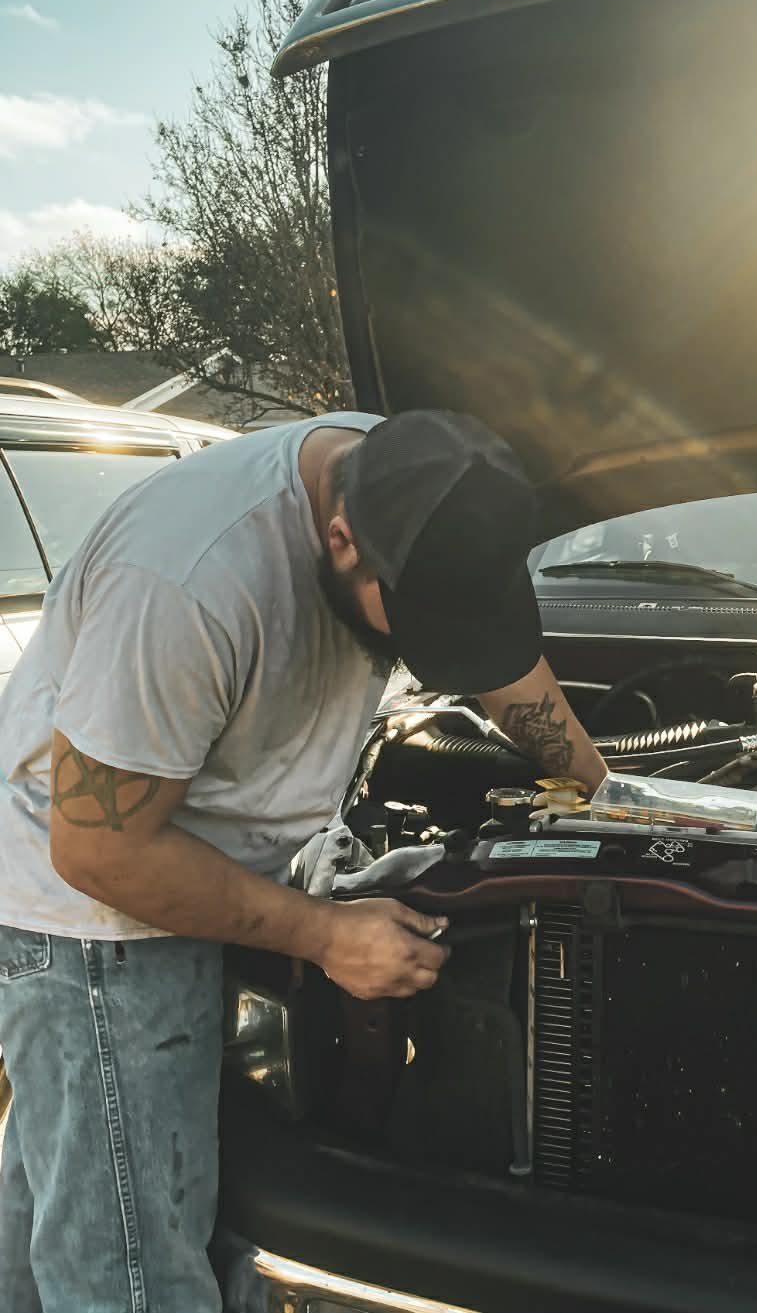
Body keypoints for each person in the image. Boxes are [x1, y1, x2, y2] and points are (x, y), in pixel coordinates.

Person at [0, 408, 606, 1313]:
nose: (421, 653)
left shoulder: (415, 483)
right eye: (413, 624)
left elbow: (497, 661)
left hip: (198, 858)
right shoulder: (189, 579)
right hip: (97, 922)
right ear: (340, 537)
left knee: (69, 1198)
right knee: (134, 1266)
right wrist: (326, 933)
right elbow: (97, 849)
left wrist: (610, 793)